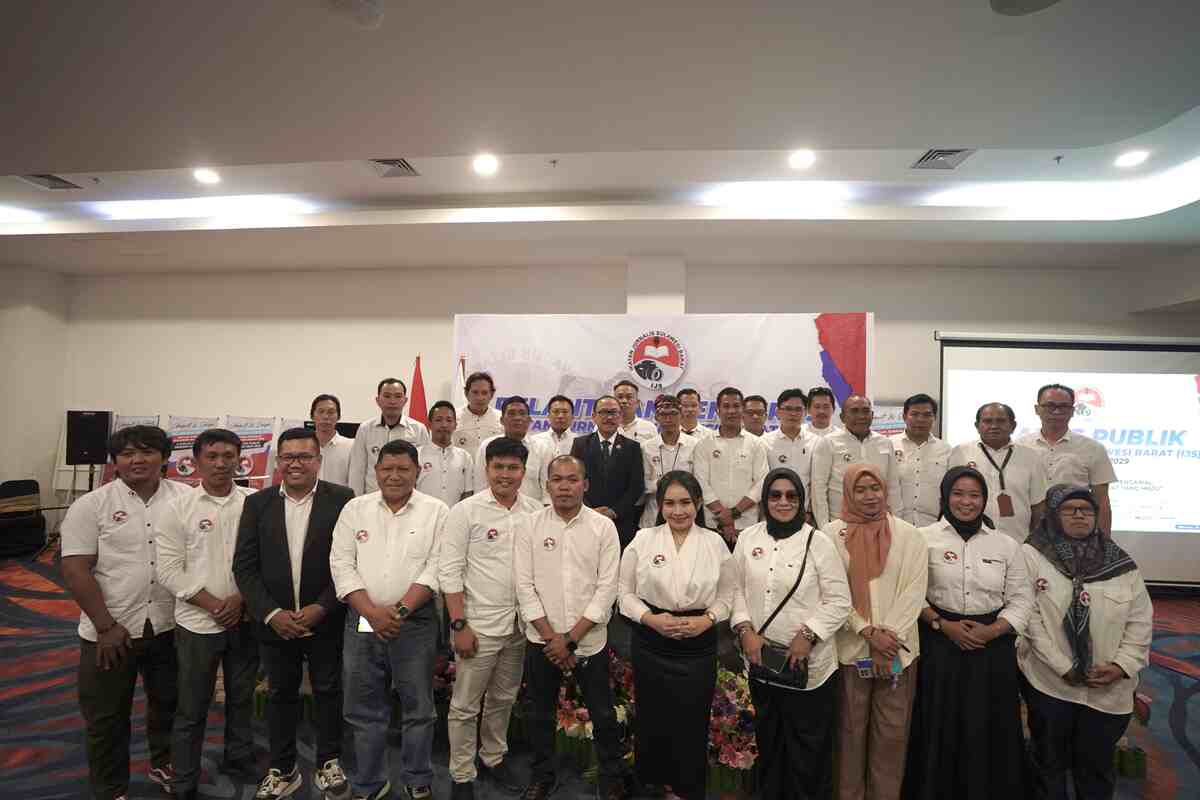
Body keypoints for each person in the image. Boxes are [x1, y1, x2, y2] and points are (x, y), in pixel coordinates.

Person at [61, 424, 190, 800]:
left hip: (170, 624)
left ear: (164, 458)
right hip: (109, 631)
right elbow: (76, 569)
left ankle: (165, 764)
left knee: (170, 705)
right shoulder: (91, 505)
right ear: (115, 461)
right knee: (106, 716)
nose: (137, 460)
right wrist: (105, 626)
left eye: (147, 451)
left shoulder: (185, 498)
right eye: (127, 453)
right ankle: (111, 788)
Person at [233, 428, 355, 800]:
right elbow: (245, 567)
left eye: (304, 456)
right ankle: (283, 769)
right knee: (280, 694)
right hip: (276, 623)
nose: (295, 463)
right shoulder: (258, 503)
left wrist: (323, 607)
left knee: (329, 691)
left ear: (319, 460)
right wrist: (272, 614)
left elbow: (350, 562)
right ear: (278, 461)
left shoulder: (343, 499)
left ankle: (329, 762)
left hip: (326, 619)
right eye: (288, 456)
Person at [902, 467, 1034, 800]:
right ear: (945, 497)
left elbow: (1022, 599)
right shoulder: (922, 538)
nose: (966, 502)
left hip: (992, 647)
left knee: (988, 726)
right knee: (938, 724)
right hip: (938, 642)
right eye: (958, 493)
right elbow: (910, 592)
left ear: (984, 500)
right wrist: (942, 624)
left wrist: (993, 631)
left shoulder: (1006, 545)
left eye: (974, 495)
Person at [330, 439, 447, 800]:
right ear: (376, 471)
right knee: (363, 706)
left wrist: (398, 612)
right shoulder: (355, 509)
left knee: (418, 707)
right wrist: (372, 613)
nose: (394, 476)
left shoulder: (436, 511)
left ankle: (417, 778)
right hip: (364, 619)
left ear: (417, 472)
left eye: (403, 469)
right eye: (387, 469)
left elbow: (437, 566)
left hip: (414, 622)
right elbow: (341, 563)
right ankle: (369, 782)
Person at [1019, 484, 1152, 800]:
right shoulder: (1032, 555)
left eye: (1086, 509)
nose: (1079, 515)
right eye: (1069, 509)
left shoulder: (1120, 563)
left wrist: (1121, 666)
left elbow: (1140, 621)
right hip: (1051, 684)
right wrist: (1063, 667)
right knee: (1048, 764)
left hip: (1108, 689)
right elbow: (1030, 619)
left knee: (1095, 768)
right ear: (1053, 515)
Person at [730, 468, 852, 800]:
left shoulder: (819, 542)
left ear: (801, 500)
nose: (783, 502)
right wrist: (745, 629)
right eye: (775, 495)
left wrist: (808, 635)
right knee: (768, 747)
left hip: (807, 670)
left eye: (791, 496)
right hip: (761, 663)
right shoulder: (748, 538)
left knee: (807, 755)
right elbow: (734, 589)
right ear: (765, 500)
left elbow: (840, 601)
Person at [515, 455, 630, 800]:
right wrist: (554, 638)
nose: (564, 487)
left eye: (572, 479)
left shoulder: (602, 527)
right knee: (539, 713)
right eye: (557, 479)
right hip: (543, 640)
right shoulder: (530, 525)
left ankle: (611, 776)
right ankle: (542, 775)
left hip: (589, 640)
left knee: (603, 714)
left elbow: (607, 588)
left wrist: (571, 638)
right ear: (547, 485)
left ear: (585, 484)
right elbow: (524, 586)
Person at [154, 429, 257, 800]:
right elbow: (168, 570)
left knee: (241, 697)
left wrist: (241, 600)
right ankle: (184, 777)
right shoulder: (177, 508)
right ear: (196, 461)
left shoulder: (255, 503)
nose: (220, 463)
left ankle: (239, 757)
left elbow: (264, 560)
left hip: (245, 618)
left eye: (228, 456)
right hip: (197, 624)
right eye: (212, 456)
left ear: (239, 460)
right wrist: (215, 605)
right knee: (192, 705)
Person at [440, 437, 544, 799]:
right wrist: (459, 624)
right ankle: (461, 774)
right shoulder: (465, 511)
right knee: (465, 705)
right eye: (498, 466)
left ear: (523, 472)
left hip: (520, 625)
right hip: (477, 626)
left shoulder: (535, 511)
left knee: (504, 698)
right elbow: (449, 571)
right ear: (486, 469)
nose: (505, 474)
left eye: (513, 468)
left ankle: (493, 756)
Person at [619, 471, 732, 800]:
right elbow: (623, 593)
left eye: (685, 503)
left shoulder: (714, 543)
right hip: (651, 641)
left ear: (698, 503)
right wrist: (649, 619)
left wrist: (707, 620)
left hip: (698, 644)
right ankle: (653, 785)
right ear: (659, 505)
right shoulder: (643, 540)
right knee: (653, 718)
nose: (678, 511)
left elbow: (728, 596)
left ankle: (686, 789)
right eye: (669, 503)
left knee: (691, 720)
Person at [824, 465, 927, 800]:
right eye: (860, 489)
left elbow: (914, 591)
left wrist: (888, 640)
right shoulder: (830, 535)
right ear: (847, 493)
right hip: (851, 652)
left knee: (892, 736)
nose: (869, 496)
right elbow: (831, 592)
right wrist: (866, 631)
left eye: (875, 488)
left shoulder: (909, 535)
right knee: (849, 735)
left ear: (885, 490)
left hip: (898, 654)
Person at [1018, 384, 1118, 536]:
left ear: (1072, 411)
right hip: (1028, 531)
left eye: (1063, 406)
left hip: (1075, 531)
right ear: (1037, 409)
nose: (1056, 411)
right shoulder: (1019, 447)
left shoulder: (1093, 449)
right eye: (1050, 405)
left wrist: (1104, 542)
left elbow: (1102, 501)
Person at [948, 402, 1048, 541]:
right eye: (987, 421)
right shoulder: (960, 453)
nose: (994, 426)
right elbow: (949, 498)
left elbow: (1038, 505)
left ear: (1013, 426)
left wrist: (1034, 541)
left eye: (1001, 421)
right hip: (969, 539)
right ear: (977, 426)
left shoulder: (1030, 457)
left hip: (1017, 539)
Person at [692, 387, 770, 547]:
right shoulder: (704, 444)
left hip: (747, 525)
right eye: (726, 406)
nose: (731, 411)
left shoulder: (756, 444)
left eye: (736, 406)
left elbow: (761, 482)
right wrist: (724, 516)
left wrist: (734, 513)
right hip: (714, 525)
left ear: (742, 410)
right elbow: (701, 483)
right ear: (717, 410)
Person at [810, 395, 901, 528]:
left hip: (879, 523)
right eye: (854, 411)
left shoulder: (885, 443)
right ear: (842, 417)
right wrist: (825, 527)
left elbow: (893, 486)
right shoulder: (828, 443)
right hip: (841, 523)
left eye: (865, 411)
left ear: (872, 415)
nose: (861, 416)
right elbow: (818, 488)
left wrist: (896, 524)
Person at [570, 395, 646, 548]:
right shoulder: (580, 444)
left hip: (621, 522)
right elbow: (573, 481)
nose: (609, 417)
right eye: (603, 412)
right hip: (586, 518)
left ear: (620, 416)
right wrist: (590, 511)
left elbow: (636, 487)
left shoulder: (632, 447)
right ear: (594, 416)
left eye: (613, 412)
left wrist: (614, 511)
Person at [349, 377, 431, 496]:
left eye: (398, 396)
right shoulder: (365, 429)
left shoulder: (418, 429)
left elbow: (423, 471)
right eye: (387, 396)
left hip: (407, 498)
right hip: (372, 498)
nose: (392, 401)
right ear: (378, 400)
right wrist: (356, 500)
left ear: (405, 400)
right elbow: (357, 469)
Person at [890, 393, 951, 527]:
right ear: (904, 416)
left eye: (927, 415)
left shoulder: (946, 450)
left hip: (933, 526)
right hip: (895, 524)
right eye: (915, 414)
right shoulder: (889, 445)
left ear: (934, 418)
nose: (920, 419)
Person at [639, 394, 698, 528]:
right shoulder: (646, 447)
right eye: (663, 414)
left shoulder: (695, 445)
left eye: (673, 414)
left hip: (685, 514)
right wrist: (661, 484)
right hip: (653, 515)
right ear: (656, 417)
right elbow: (642, 483)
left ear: (681, 415)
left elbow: (699, 481)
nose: (668, 419)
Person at [475, 396, 548, 503]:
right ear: (501, 420)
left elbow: (547, 492)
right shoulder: (487, 446)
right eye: (511, 413)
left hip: (531, 510)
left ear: (529, 420)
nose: (517, 418)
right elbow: (480, 486)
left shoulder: (542, 448)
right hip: (492, 509)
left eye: (522, 413)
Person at [418, 401, 475, 508]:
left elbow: (468, 492)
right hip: (423, 515)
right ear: (429, 424)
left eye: (449, 420)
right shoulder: (417, 455)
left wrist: (457, 514)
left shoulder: (465, 457)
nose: (444, 425)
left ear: (455, 425)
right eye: (438, 420)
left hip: (456, 516)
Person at [762, 388, 813, 495]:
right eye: (788, 409)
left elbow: (818, 481)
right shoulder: (764, 442)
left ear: (805, 413)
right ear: (777, 412)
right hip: (774, 503)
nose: (793, 414)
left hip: (805, 504)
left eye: (798, 409)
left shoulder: (816, 442)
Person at [457, 371, 504, 453]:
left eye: (484, 393)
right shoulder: (453, 418)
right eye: (475, 392)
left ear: (492, 394)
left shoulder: (502, 419)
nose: (479, 398)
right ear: (466, 393)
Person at [311, 393, 353, 487]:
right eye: (321, 411)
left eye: (331, 412)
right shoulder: (304, 446)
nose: (325, 416)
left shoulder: (351, 446)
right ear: (312, 416)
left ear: (338, 416)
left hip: (341, 496)